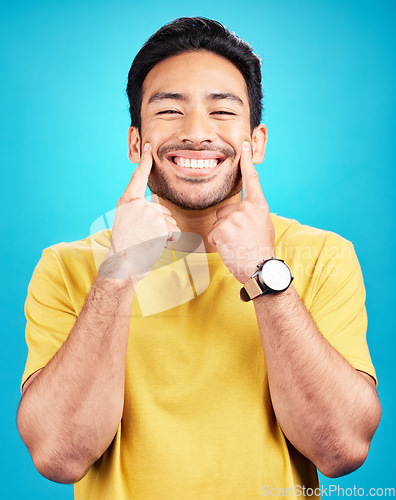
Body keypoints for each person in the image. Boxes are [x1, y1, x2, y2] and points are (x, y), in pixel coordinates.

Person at [17, 16, 381, 500]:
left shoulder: (323, 257)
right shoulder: (68, 268)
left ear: (257, 142)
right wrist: (118, 273)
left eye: (222, 111)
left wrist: (262, 271)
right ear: (134, 143)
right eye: (169, 110)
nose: (197, 133)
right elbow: (59, 456)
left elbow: (341, 451)